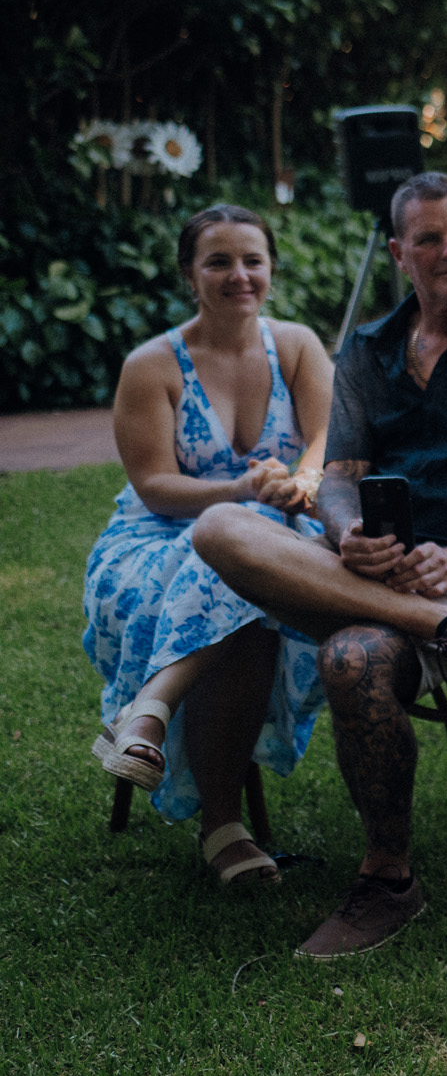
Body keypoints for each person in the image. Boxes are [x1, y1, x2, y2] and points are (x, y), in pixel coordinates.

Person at [193, 172, 447, 959]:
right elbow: (339, 475)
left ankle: (386, 878)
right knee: (218, 525)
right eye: (430, 239)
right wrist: (346, 534)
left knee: (352, 656)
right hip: (375, 575)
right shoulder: (371, 350)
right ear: (401, 254)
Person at [84, 204, 333, 886]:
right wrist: (241, 494)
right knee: (239, 574)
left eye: (252, 259)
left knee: (249, 565)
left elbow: (326, 441)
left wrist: (303, 481)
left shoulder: (297, 347)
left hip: (277, 526)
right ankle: (223, 826)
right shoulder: (151, 364)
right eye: (218, 261)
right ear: (189, 275)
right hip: (157, 540)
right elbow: (157, 487)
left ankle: (151, 714)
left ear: (272, 270)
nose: (238, 275)